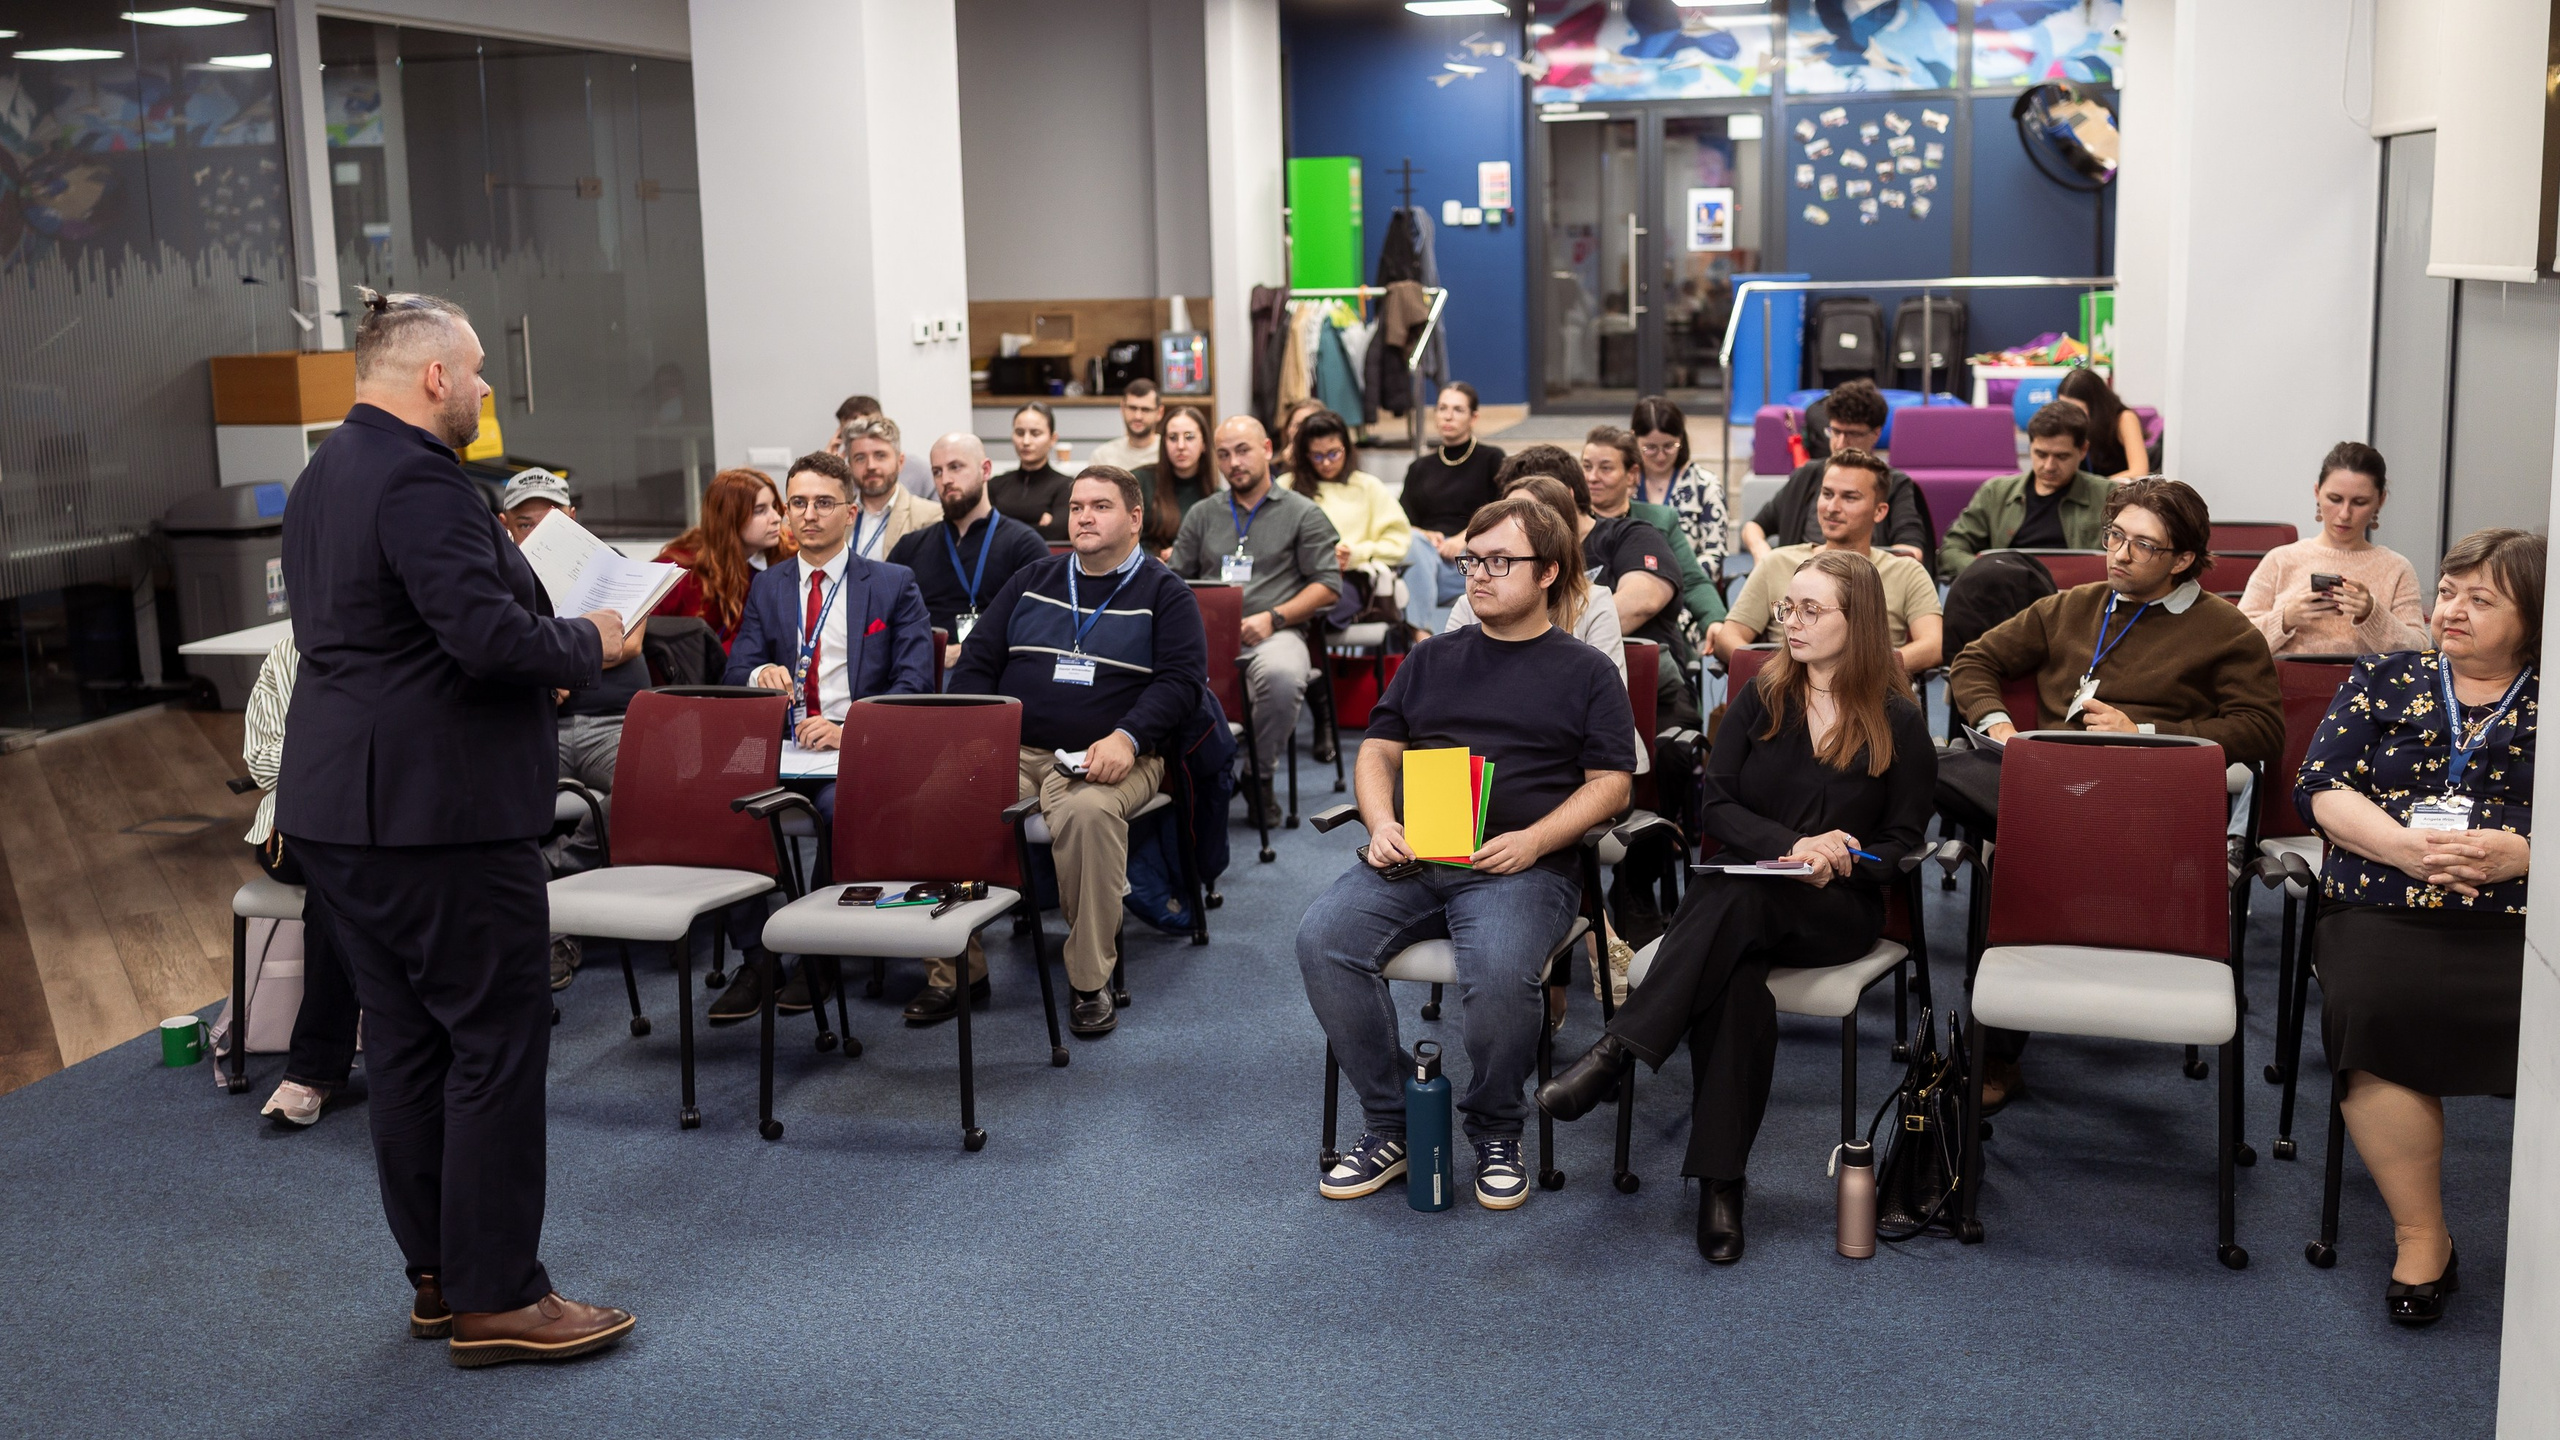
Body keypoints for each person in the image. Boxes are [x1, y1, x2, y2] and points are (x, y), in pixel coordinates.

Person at [279, 286, 632, 1365]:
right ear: (434, 375)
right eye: (477, 370)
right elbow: (484, 638)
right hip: (440, 815)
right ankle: (498, 1296)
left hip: (345, 806)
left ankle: (437, 1277)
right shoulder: (422, 480)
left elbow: (397, 639)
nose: (484, 389)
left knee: (409, 1043)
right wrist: (591, 645)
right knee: (492, 1041)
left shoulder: (323, 473)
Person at [1538, 551, 1935, 1263]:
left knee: (1731, 892)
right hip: (1752, 899)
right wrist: (1795, 846)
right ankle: (1720, 1182)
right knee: (1737, 974)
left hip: (1836, 911)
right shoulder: (1764, 696)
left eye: (1813, 611)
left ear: (1862, 622)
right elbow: (1715, 803)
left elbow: (1903, 846)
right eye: (1789, 607)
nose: (1792, 622)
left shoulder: (1899, 721)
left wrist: (1842, 859)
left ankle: (1619, 1050)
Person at [1298, 496, 1636, 1210]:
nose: (1477, 577)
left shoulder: (1586, 672)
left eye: (1498, 563)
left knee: (1503, 969)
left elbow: (1611, 786)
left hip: (1525, 866)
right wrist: (1380, 821)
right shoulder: (1433, 658)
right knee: (1322, 939)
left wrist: (1535, 839)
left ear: (1547, 572)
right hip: (1422, 852)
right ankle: (1393, 1122)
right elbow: (1379, 750)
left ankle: (1494, 1129)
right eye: (1471, 561)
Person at [1941, 476, 2282, 1108]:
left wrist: (2146, 735)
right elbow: (1971, 661)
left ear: (2183, 559)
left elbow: (2262, 731)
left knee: (2022, 851)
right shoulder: (2074, 606)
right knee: (1925, 763)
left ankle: (1994, 1056)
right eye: (2115, 536)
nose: (2119, 555)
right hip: (2040, 777)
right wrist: (2002, 729)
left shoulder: (2226, 631)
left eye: (2143, 546)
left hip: (2140, 797)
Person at [2294, 528, 2541, 1327]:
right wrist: (2401, 845)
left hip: (2523, 915)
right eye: (2447, 591)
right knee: (2372, 1005)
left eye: (2481, 598)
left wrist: (2525, 852)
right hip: (2382, 901)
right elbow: (2321, 788)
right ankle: (2421, 1234)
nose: (2453, 610)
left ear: (2535, 617)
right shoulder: (2385, 677)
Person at [949, 467, 1208, 1037]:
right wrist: (972, 738)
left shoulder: (1166, 593)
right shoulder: (1031, 580)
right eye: (1076, 506)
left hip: (1119, 754)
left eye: (1101, 506)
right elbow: (976, 664)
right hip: (1017, 749)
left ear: (1135, 518)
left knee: (1087, 813)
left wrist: (1129, 736)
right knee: (943, 793)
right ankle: (957, 972)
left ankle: (1090, 981)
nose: (1084, 517)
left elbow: (1182, 684)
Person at [716, 449, 936, 1023]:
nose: (808, 515)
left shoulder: (892, 584)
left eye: (823, 503)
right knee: (725, 806)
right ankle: (758, 959)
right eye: (798, 503)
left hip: (855, 755)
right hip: (782, 750)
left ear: (851, 512)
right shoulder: (769, 588)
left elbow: (915, 685)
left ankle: (819, 954)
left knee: (838, 811)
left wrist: (850, 728)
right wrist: (755, 674)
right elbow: (733, 672)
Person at [1166, 415, 1342, 822]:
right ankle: (1188, 777)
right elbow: (1175, 581)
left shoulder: (1302, 512)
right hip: (1207, 635)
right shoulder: (1203, 513)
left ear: (1266, 450)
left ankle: (1258, 774)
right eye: (1224, 455)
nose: (1233, 463)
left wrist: (1274, 617)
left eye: (1243, 451)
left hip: (1274, 632)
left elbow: (1328, 585)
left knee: (1282, 674)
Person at [495, 468, 650, 885]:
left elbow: (628, 643)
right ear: (504, 524)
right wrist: (552, 667)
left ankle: (551, 868)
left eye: (553, 520)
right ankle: (541, 912)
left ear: (572, 515)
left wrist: (557, 663)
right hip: (541, 725)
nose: (542, 533)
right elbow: (492, 652)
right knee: (491, 794)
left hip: (613, 723)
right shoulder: (497, 581)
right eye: (527, 523)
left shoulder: (609, 563)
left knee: (655, 779)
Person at [239, 635, 363, 1130]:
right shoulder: (288, 652)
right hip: (290, 830)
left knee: (336, 884)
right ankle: (402, 1030)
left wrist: (324, 746)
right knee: (334, 871)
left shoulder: (393, 644)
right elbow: (260, 762)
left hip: (370, 824)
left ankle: (316, 1072)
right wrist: (331, 742)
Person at [1710, 450, 1944, 676]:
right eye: (1827, 494)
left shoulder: (1906, 570)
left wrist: (1865, 673)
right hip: (1786, 699)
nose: (1832, 508)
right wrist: (1785, 676)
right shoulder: (1777, 562)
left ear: (1879, 512)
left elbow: (1933, 646)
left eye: (1849, 497)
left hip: (1872, 700)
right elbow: (1728, 639)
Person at [2237, 441, 2430, 657]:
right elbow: (2235, 642)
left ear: (2380, 500)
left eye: (2360, 502)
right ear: (2317, 492)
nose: (2345, 514)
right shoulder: (2280, 560)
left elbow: (2419, 651)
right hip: (2284, 687)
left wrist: (2371, 614)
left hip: (2368, 689)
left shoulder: (2397, 568)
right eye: (2335, 499)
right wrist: (2286, 618)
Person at [889, 432, 1052, 679]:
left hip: (993, 668)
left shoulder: (1024, 545)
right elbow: (887, 619)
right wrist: (931, 652)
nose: (946, 480)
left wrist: (969, 649)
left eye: (955, 467)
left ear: (985, 470)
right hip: (921, 667)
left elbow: (1038, 625)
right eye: (937, 471)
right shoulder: (910, 547)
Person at [1737, 380, 1930, 567]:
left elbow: (1910, 553)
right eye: (1835, 432)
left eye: (1852, 434)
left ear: (1876, 434)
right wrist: (1762, 553)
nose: (1840, 444)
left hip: (1863, 586)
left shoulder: (1894, 484)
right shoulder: (1807, 475)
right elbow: (1753, 526)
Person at [1576, 432, 1728, 644]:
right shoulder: (1572, 524)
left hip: (1653, 643)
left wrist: (1714, 620)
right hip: (1583, 643)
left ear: (1631, 475)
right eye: (1586, 466)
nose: (1592, 477)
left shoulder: (1659, 519)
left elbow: (1692, 580)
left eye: (1606, 468)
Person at [1937, 402, 2113, 577]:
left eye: (2061, 456)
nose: (2049, 466)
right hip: (2004, 593)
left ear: (2083, 450)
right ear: (2030, 448)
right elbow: (1952, 549)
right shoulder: (1996, 492)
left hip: (2077, 597)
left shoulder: (2108, 496)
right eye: (2041, 454)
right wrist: (1986, 574)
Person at [1288, 409, 1413, 641]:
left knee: (1317, 610)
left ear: (1347, 448)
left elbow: (1399, 542)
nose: (1326, 463)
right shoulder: (1286, 487)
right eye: (1316, 456)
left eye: (1334, 453)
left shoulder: (1367, 487)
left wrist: (1356, 553)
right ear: (1304, 455)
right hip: (1293, 577)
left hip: (1350, 578)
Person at [1399, 381, 1507, 637]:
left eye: (1458, 410)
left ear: (1474, 417)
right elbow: (1401, 521)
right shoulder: (1419, 468)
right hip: (1428, 558)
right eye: (1442, 408)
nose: (1448, 416)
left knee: (1410, 577)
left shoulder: (1491, 458)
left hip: (1472, 560)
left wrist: (1462, 539)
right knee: (1413, 543)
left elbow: (1504, 511)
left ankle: (1420, 637)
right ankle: (1422, 636)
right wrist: (1425, 535)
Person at [652, 467, 795, 648]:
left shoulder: (783, 549)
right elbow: (633, 632)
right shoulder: (679, 570)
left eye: (774, 506)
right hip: (695, 672)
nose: (776, 518)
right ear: (730, 518)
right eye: (760, 510)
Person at [1628, 395, 1733, 576]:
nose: (1661, 456)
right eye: (1650, 448)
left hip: (1690, 587)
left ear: (1681, 439)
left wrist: (1670, 583)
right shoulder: (1624, 483)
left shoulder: (1706, 485)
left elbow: (1714, 555)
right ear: (1633, 439)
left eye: (1669, 446)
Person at [838, 415, 941, 562]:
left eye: (880, 456)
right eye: (860, 458)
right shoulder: (837, 516)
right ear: (850, 465)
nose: (871, 466)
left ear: (900, 462)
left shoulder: (930, 517)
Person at [1132, 403, 1218, 555]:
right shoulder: (1139, 482)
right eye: (1172, 438)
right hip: (1147, 571)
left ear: (1204, 443)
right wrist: (1150, 561)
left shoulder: (1216, 496)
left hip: (1195, 575)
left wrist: (1183, 555)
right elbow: (1123, 538)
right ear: (1164, 443)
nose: (1180, 446)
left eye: (1189, 437)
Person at [989, 402, 1076, 541]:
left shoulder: (1067, 486)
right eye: (1019, 433)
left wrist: (1000, 528)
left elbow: (1057, 533)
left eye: (1035, 433)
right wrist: (1038, 527)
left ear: (1053, 438)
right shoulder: (995, 484)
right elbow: (981, 532)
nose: (1026, 441)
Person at [832, 393, 933, 498]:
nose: (870, 466)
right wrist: (828, 470)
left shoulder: (920, 471)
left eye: (880, 455)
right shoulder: (842, 474)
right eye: (850, 432)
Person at [2057, 366, 2149, 482]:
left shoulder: (2124, 419)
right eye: (2064, 407)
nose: (2070, 414)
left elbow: (2140, 470)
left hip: (2118, 493)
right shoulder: (2068, 422)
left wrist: (2097, 487)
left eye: (2077, 409)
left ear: (2095, 406)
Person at [1085, 378, 1164, 472]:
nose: (1138, 416)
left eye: (1145, 410)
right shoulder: (1102, 457)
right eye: (1132, 408)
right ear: (1122, 408)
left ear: (1159, 413)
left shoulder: (1170, 453)